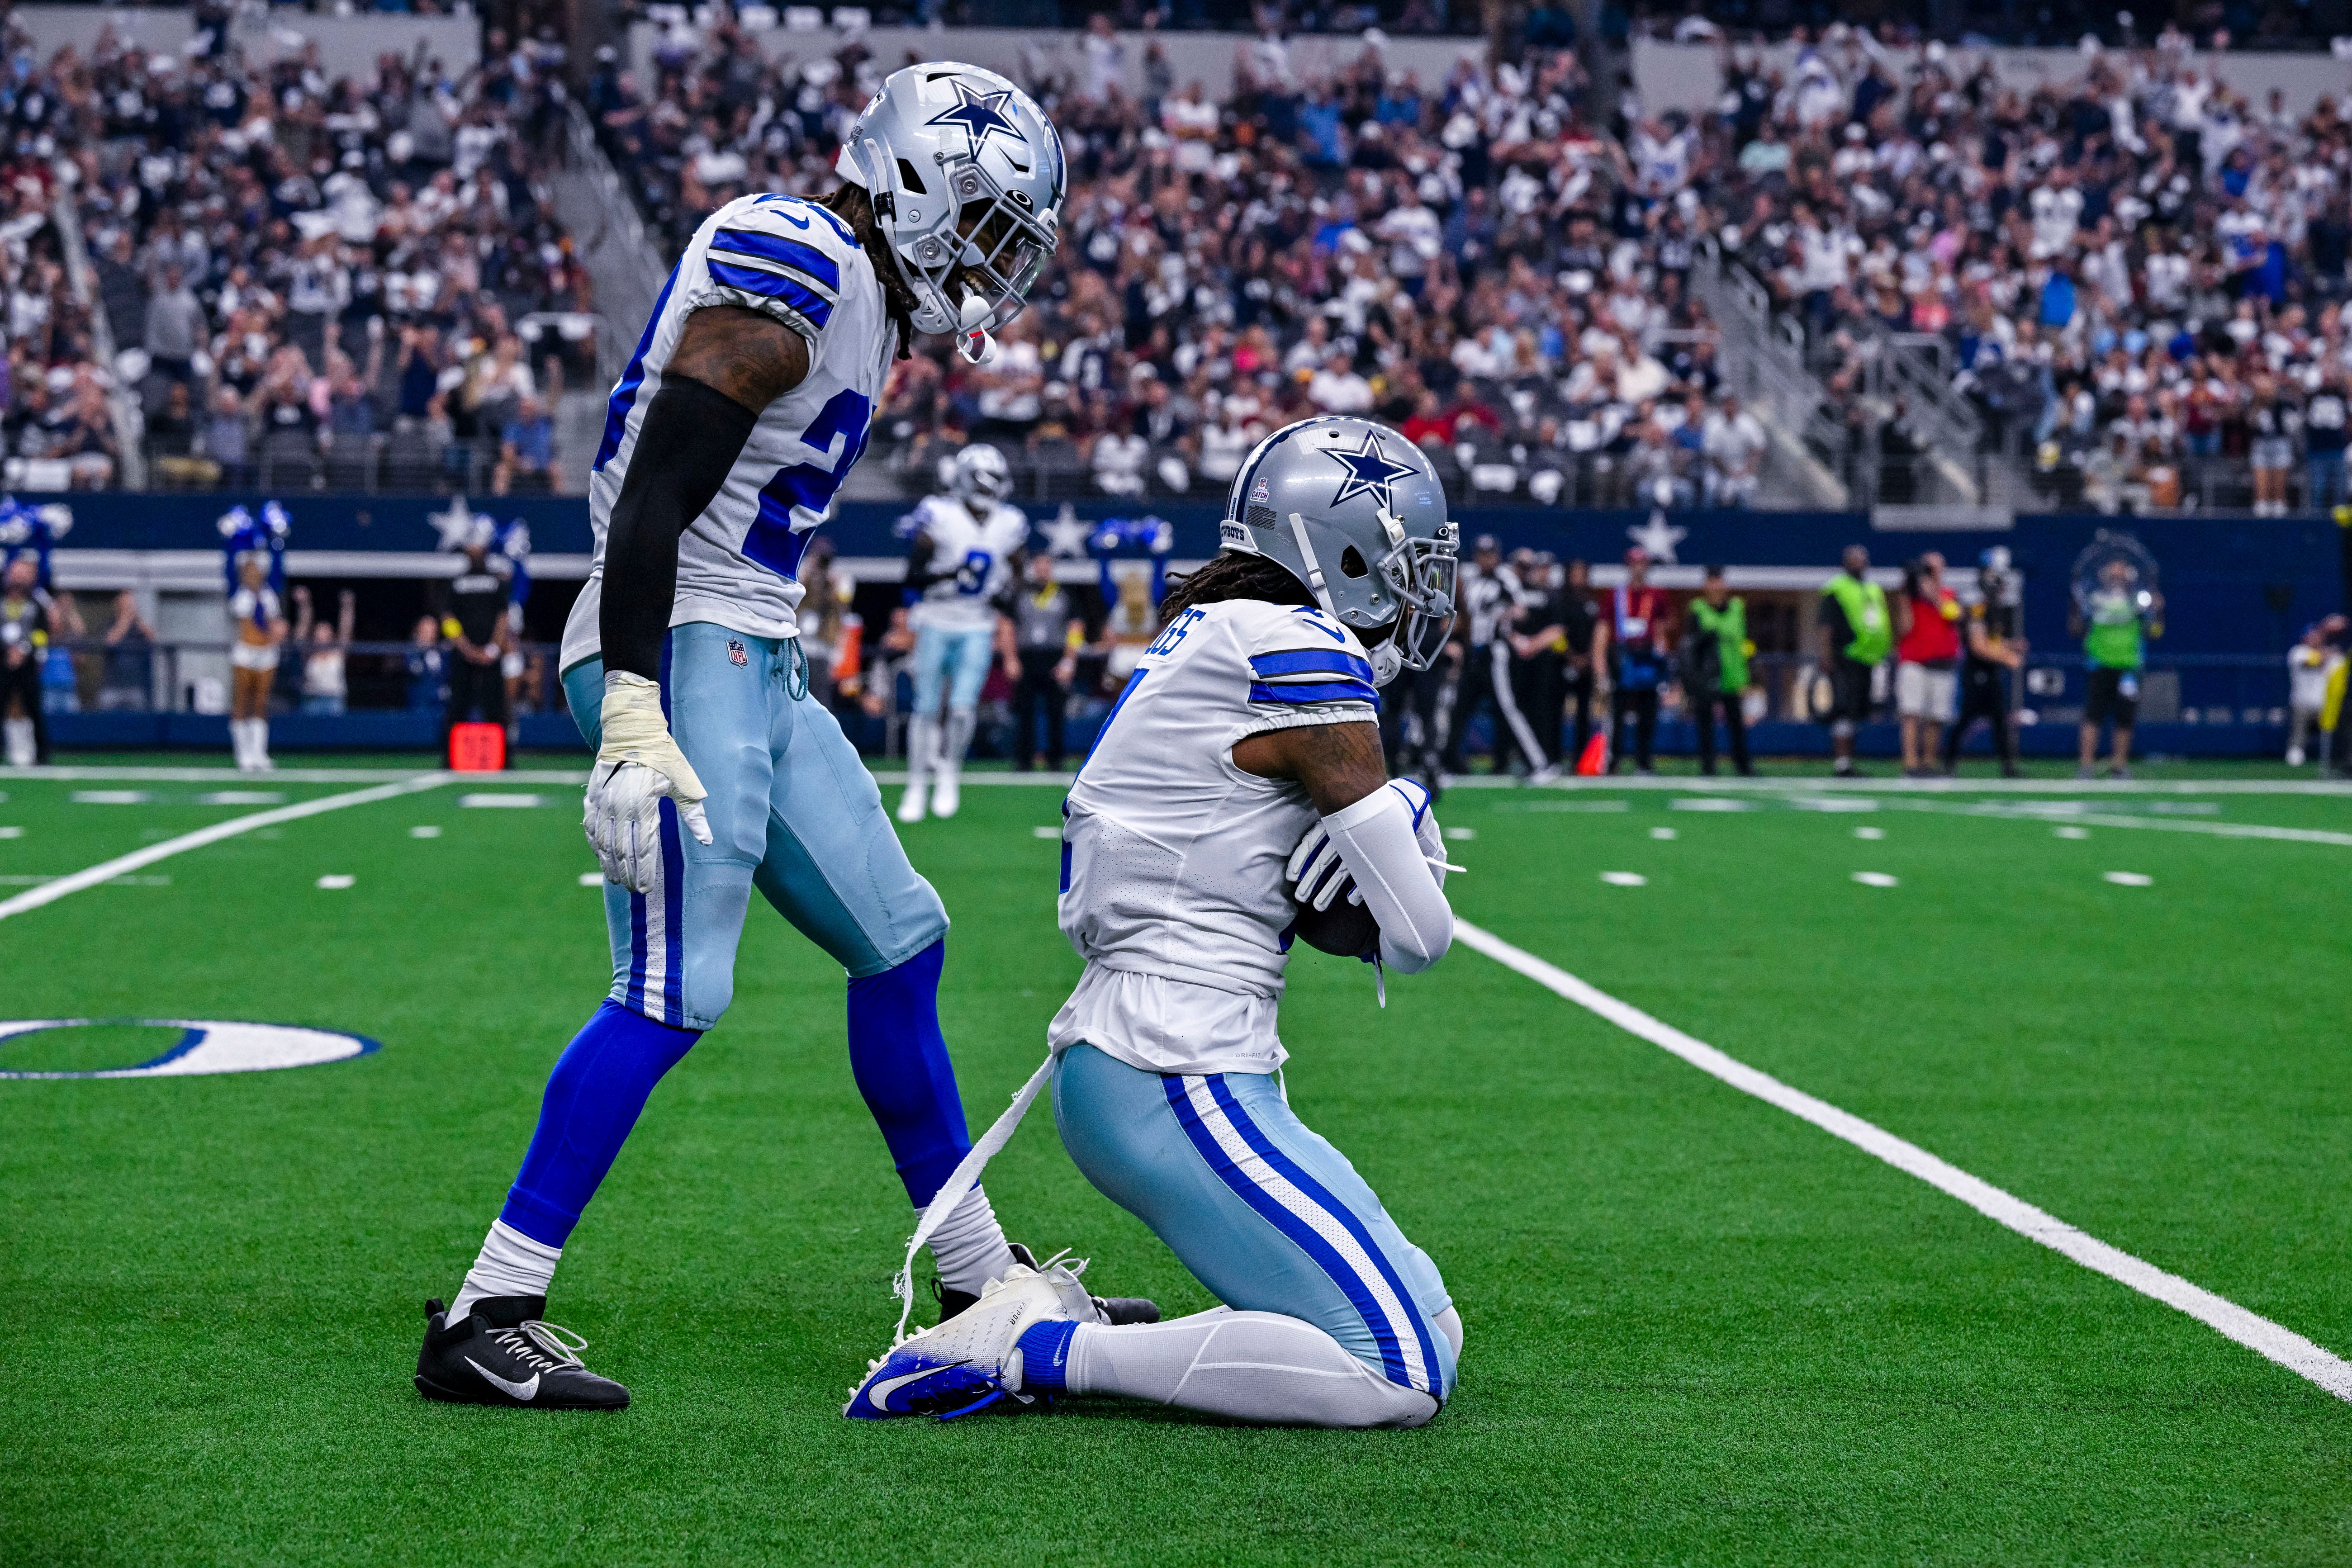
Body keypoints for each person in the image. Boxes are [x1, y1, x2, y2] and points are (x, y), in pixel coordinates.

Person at [413, 64, 1150, 1412]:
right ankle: (484, 1310)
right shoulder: (801, 256)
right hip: (677, 637)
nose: (992, 270)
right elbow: (652, 499)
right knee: (668, 989)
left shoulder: (861, 295)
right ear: (916, 184)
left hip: (750, 650)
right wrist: (631, 704)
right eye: (983, 229)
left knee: (901, 934)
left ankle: (979, 1276)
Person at [846, 415, 1463, 1427]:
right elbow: (1418, 933)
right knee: (1394, 1372)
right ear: (1337, 546)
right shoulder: (1294, 642)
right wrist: (1404, 810)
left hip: (1170, 1053)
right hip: (1171, 1064)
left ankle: (1056, 1329)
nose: (1414, 590)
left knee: (1430, 1326)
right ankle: (1029, 1346)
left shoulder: (1224, 630)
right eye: (1403, 562)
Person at [896, 443, 1029, 823]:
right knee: (925, 707)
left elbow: (1018, 571)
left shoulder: (1009, 523)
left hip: (978, 622)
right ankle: (917, 782)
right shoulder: (939, 513)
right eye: (982, 481)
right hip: (937, 617)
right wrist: (951, 576)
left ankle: (950, 770)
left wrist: (1006, 595)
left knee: (962, 708)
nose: (988, 490)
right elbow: (912, 576)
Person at [1438, 535, 1546, 779]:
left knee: (1508, 708)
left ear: (1497, 555)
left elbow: (1521, 611)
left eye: (1490, 554)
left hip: (1494, 651)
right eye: (1481, 554)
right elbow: (1465, 616)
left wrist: (1501, 613)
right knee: (1459, 709)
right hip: (1472, 654)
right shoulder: (1472, 581)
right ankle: (1449, 763)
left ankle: (1538, 762)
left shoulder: (1504, 578)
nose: (1486, 559)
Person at [2072, 558, 2162, 780]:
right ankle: (2086, 766)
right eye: (2113, 574)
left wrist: (2158, 612)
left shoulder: (2138, 601)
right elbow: (2076, 629)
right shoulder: (2093, 600)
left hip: (2129, 666)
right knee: (2093, 716)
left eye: (2121, 574)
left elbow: (2154, 632)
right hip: (2100, 664)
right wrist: (2075, 608)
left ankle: (2119, 765)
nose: (2117, 578)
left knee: (2125, 718)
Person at [1945, 549, 2027, 777]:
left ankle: (2007, 764)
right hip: (1977, 673)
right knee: (1967, 719)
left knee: (2000, 720)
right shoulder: (1979, 610)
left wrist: (2011, 646)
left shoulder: (1995, 611)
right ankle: (1949, 761)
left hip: (1990, 673)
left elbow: (1993, 641)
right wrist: (2009, 658)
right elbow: (1979, 646)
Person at [1595, 546, 1672, 776]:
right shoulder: (1615, 595)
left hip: (1647, 659)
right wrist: (1600, 668)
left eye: (1642, 564)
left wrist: (1664, 667)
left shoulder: (1656, 596)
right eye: (1634, 564)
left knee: (1648, 713)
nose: (1638, 568)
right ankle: (1613, 761)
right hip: (1623, 657)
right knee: (1617, 713)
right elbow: (1603, 631)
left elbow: (1661, 632)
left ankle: (1644, 762)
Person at [1001, 551, 1079, 772]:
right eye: (1039, 566)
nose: (1043, 570)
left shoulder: (1064, 595)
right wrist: (1010, 658)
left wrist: (1069, 660)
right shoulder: (1020, 594)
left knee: (1056, 710)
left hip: (1054, 656)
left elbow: (1075, 628)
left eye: (1047, 566)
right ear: (1033, 568)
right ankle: (1024, 759)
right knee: (1024, 710)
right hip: (1026, 656)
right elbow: (1007, 626)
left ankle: (1056, 758)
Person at [1818, 545, 1890, 778]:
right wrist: (1826, 655)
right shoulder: (1836, 589)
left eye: (1862, 559)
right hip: (1844, 656)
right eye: (1854, 559)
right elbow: (1825, 625)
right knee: (1843, 709)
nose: (1859, 563)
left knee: (1858, 711)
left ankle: (1849, 762)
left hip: (1867, 658)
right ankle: (1842, 763)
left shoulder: (1872, 588)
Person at [441, 540, 514, 748]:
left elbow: (503, 617)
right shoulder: (456, 583)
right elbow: (448, 619)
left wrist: (493, 647)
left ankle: (502, 757)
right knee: (457, 705)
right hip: (464, 655)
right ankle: (450, 757)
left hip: (491, 654)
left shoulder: (497, 583)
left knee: (496, 706)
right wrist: (466, 648)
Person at [1893, 553, 1961, 778]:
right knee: (1912, 713)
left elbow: (1954, 616)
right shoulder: (1910, 595)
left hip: (1943, 663)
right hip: (1914, 661)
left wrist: (1933, 594)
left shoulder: (1948, 594)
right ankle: (1911, 764)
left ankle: (1928, 763)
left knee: (1937, 717)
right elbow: (1904, 628)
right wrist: (1907, 598)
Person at [1682, 566, 1753, 777]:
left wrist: (1749, 675)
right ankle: (1708, 766)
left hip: (1733, 675)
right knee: (1705, 723)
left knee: (1737, 724)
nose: (1716, 586)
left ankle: (1743, 765)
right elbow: (1690, 646)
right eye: (1711, 582)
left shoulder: (1737, 608)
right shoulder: (1697, 609)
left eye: (1719, 581)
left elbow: (1745, 642)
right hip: (1707, 676)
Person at [225, 554, 287, 773]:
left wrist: (278, 632)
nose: (253, 576)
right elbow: (249, 629)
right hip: (247, 653)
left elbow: (274, 623)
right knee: (242, 700)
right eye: (248, 572)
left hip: (267, 653)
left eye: (256, 572)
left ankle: (259, 752)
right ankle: (243, 753)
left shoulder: (269, 596)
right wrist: (272, 634)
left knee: (261, 702)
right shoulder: (241, 598)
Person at [0, 554, 52, 766]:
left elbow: (42, 633)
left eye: (24, 574)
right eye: (16, 573)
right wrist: (6, 652)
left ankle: (41, 756)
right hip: (2, 663)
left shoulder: (36, 603)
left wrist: (26, 650)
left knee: (34, 708)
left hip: (27, 663)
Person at [2285, 616, 2344, 768]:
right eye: (2311, 636)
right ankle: (2295, 754)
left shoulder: (2333, 655)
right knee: (2299, 728)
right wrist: (2327, 631)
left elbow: (2340, 668)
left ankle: (2339, 757)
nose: (2314, 638)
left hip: (2325, 705)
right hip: (2302, 703)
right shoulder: (2298, 652)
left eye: (2316, 635)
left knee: (2341, 725)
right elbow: (2314, 663)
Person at [293, 587, 356, 717]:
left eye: (326, 631)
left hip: (334, 699)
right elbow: (304, 625)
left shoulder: (338, 653)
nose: (322, 635)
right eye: (319, 631)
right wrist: (305, 604)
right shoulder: (308, 654)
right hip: (312, 699)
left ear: (332, 635)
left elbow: (346, 629)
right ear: (314, 635)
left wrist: (348, 606)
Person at [99, 591, 156, 713]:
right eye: (125, 604)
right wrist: (125, 620)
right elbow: (110, 641)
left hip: (135, 686)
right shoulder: (110, 623)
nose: (128, 607)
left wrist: (138, 620)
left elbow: (153, 639)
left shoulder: (139, 626)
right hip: (113, 686)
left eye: (131, 604)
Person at [405, 614, 448, 715]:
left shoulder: (443, 653)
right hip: (419, 706)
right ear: (418, 631)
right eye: (427, 631)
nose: (431, 635)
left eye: (434, 631)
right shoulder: (411, 653)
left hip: (442, 706)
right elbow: (415, 672)